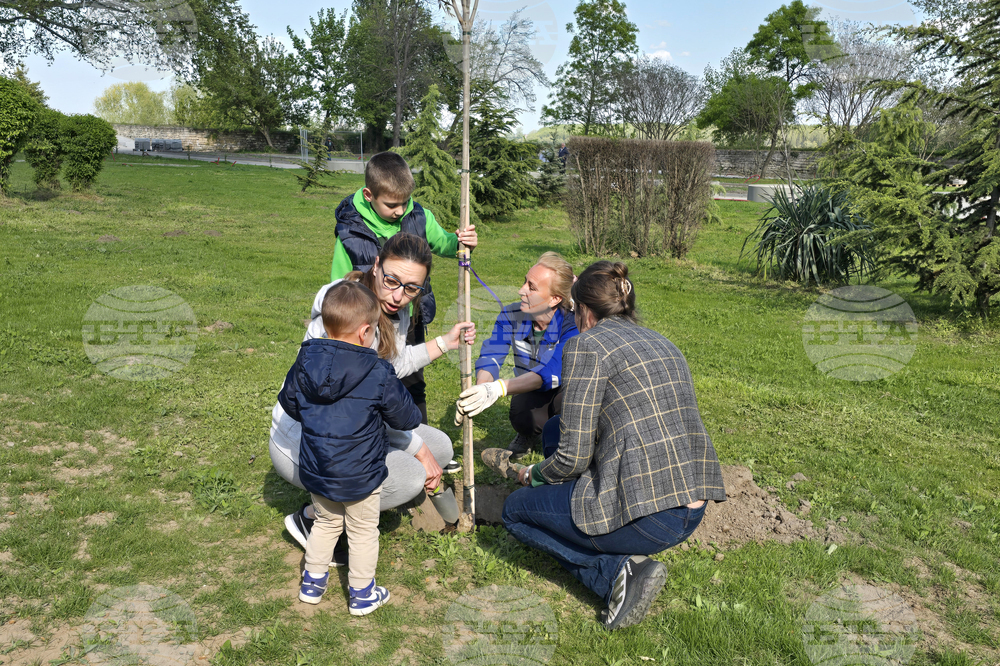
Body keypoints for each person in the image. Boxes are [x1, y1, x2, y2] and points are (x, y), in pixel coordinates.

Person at [488, 261, 727, 631]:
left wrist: (532, 474)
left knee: (516, 512)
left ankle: (620, 572)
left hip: (652, 516)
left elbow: (572, 457)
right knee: (553, 429)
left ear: (583, 310)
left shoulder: (588, 347)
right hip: (692, 503)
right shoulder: (661, 341)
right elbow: (574, 435)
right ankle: (583, 517)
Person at [271, 234, 476, 563]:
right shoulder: (347, 312)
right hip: (306, 440)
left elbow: (394, 366)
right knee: (412, 475)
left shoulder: (391, 310)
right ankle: (315, 519)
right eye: (392, 280)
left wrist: (444, 343)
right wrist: (417, 452)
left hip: (350, 427)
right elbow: (360, 403)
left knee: (440, 447)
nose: (398, 296)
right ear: (376, 265)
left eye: (411, 288)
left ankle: (347, 503)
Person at [280, 282, 421, 613]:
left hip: (318, 468)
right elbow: (405, 417)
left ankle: (312, 584)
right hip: (361, 474)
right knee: (361, 532)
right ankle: (362, 593)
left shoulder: (305, 359)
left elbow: (289, 403)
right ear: (364, 331)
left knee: (327, 523)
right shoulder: (377, 371)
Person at [331, 151, 478, 444]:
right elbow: (338, 287)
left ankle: (417, 437)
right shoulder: (351, 232)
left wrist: (461, 242)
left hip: (410, 314)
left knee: (411, 379)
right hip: (367, 320)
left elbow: (443, 243)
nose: (400, 211)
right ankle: (375, 436)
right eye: (392, 205)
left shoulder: (418, 216)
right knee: (369, 378)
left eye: (405, 202)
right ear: (369, 194)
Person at [454, 252, 578, 460]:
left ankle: (570, 441)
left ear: (555, 299)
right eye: (525, 282)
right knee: (522, 415)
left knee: (568, 406)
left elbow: (553, 371)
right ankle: (527, 435)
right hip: (529, 386)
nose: (521, 291)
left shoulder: (573, 324)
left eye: (532, 287)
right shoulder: (511, 315)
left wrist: (499, 388)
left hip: (567, 389)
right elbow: (492, 353)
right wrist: (481, 390)